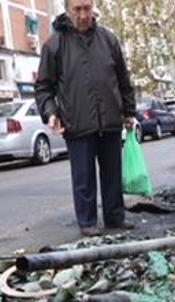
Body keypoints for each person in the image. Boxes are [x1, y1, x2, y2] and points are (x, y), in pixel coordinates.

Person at [35, 0, 136, 237]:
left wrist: (129, 112)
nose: (83, 15)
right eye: (77, 9)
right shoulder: (54, 44)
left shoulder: (108, 39)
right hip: (77, 123)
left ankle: (115, 217)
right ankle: (88, 222)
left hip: (110, 120)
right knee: (84, 177)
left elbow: (123, 79)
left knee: (112, 173)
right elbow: (43, 88)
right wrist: (50, 113)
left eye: (87, 8)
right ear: (68, 11)